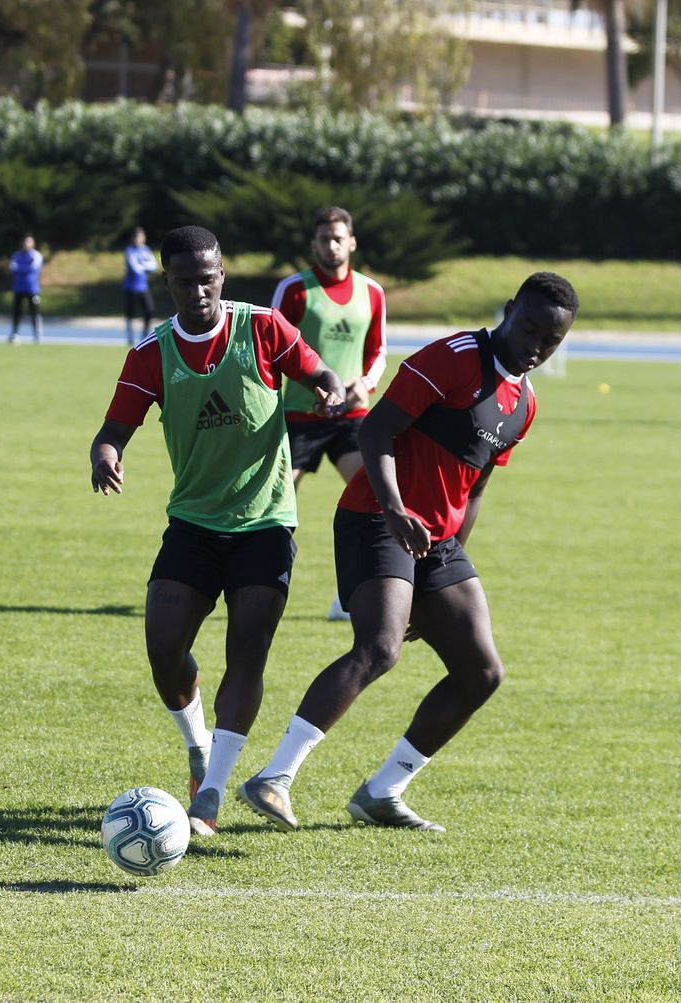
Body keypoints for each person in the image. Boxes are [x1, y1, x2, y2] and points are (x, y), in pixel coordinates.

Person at [238, 272, 578, 833]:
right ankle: (274, 778)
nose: (536, 345)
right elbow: (376, 432)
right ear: (509, 309)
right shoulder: (453, 357)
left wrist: (437, 577)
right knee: (379, 647)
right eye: (529, 328)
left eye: (551, 340)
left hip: (435, 543)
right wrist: (396, 511)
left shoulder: (524, 403)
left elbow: (475, 488)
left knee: (482, 672)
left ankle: (383, 792)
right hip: (375, 516)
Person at [88, 225, 347, 836]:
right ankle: (197, 745)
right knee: (163, 648)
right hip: (194, 524)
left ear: (222, 275)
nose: (198, 291)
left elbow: (321, 374)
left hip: (265, 524)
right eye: (184, 282)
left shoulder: (264, 328)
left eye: (207, 279)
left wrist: (331, 392)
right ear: (167, 283)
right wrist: (104, 456)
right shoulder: (151, 354)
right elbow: (113, 430)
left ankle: (210, 794)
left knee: (247, 650)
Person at [271, 205, 388, 621]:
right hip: (298, 418)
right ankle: (261, 589)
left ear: (351, 242)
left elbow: (378, 351)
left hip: (351, 420)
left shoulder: (372, 292)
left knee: (376, 500)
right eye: (324, 239)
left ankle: (352, 598)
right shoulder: (293, 290)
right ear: (314, 244)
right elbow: (271, 351)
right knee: (274, 511)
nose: (332, 245)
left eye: (338, 238)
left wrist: (364, 386)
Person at [122, 227, 158, 346]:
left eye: (141, 237)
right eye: (137, 237)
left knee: (150, 310)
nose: (139, 239)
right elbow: (135, 267)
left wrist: (143, 265)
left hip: (144, 287)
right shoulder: (129, 250)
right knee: (130, 313)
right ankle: (130, 337)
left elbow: (154, 266)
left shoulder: (146, 249)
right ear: (133, 238)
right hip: (131, 287)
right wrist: (145, 265)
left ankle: (144, 336)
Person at [8, 235, 43, 343]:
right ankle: (15, 333)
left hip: (33, 290)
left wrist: (20, 269)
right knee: (17, 312)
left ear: (33, 243)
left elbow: (33, 268)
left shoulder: (36, 255)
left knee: (34, 311)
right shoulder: (17, 255)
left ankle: (37, 334)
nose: (26, 244)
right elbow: (12, 267)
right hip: (18, 288)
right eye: (25, 242)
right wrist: (24, 268)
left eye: (29, 242)